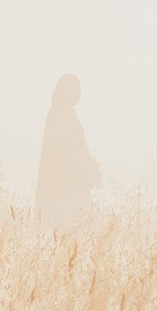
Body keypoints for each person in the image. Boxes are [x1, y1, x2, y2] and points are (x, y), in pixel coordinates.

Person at [35, 73, 100, 225]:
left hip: (71, 181)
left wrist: (90, 163)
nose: (79, 92)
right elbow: (65, 151)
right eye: (76, 88)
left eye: (80, 88)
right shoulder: (60, 113)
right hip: (65, 184)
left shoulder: (64, 112)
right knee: (69, 222)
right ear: (67, 90)